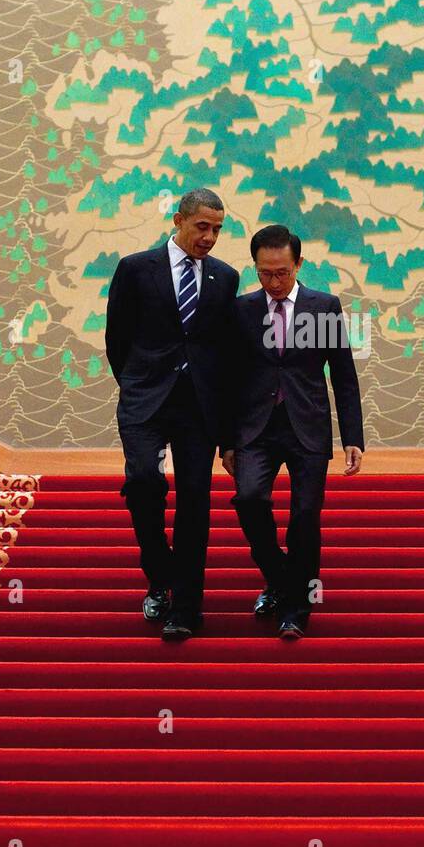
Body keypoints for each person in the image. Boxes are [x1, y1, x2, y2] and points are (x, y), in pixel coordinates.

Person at [105, 189, 239, 640]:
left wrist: (228, 426)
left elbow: (223, 351)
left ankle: (186, 606)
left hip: (199, 406)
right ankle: (159, 571)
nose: (210, 237)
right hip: (145, 399)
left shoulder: (226, 277)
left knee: (196, 502)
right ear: (179, 220)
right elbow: (116, 339)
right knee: (144, 481)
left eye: (218, 229)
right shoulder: (135, 269)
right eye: (203, 227)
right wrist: (137, 384)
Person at [227, 224, 364, 639]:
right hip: (255, 429)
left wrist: (352, 436)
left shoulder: (323, 307)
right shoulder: (242, 310)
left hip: (308, 426)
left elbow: (343, 374)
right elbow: (226, 380)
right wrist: (227, 439)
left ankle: (296, 607)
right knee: (249, 499)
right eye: (264, 273)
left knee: (305, 516)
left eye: (281, 273)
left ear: (298, 264)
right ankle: (280, 577)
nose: (273, 282)